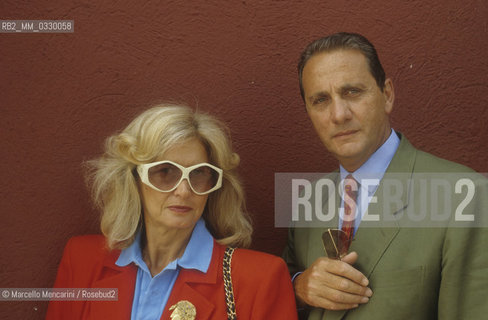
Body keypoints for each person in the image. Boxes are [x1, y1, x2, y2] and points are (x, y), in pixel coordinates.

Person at [282, 32, 488, 320]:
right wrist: (298, 287)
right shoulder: (309, 198)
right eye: (320, 100)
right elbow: (280, 290)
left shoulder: (465, 194)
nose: (339, 114)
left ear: (387, 94)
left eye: (352, 92)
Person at [46, 104, 298, 320]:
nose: (184, 190)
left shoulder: (259, 279)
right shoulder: (81, 261)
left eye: (199, 173)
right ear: (134, 180)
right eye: (165, 172)